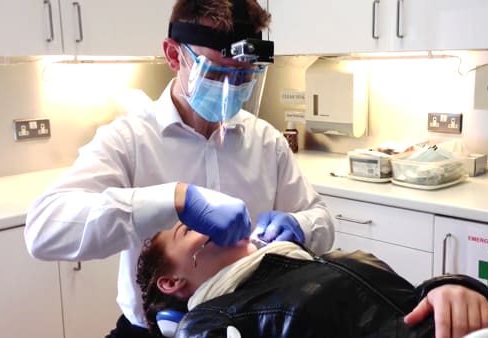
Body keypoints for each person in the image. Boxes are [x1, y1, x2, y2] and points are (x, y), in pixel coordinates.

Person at [23, 1, 333, 337]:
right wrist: (176, 199)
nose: (232, 88)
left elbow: (321, 218)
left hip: (248, 324)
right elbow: (43, 229)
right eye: (217, 74)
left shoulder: (265, 141)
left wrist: (300, 226)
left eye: (244, 76)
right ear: (174, 55)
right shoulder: (129, 140)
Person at [137, 222, 488, 338]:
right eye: (188, 230)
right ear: (171, 282)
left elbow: (400, 309)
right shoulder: (212, 320)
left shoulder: (307, 263)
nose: (210, 222)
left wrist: (449, 287)